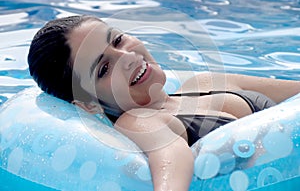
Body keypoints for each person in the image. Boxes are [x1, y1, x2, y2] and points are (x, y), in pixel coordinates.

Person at [28, 15, 300, 191]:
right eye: (104, 68)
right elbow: (171, 159)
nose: (128, 57)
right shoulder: (139, 121)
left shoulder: (204, 83)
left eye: (119, 39)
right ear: (89, 104)